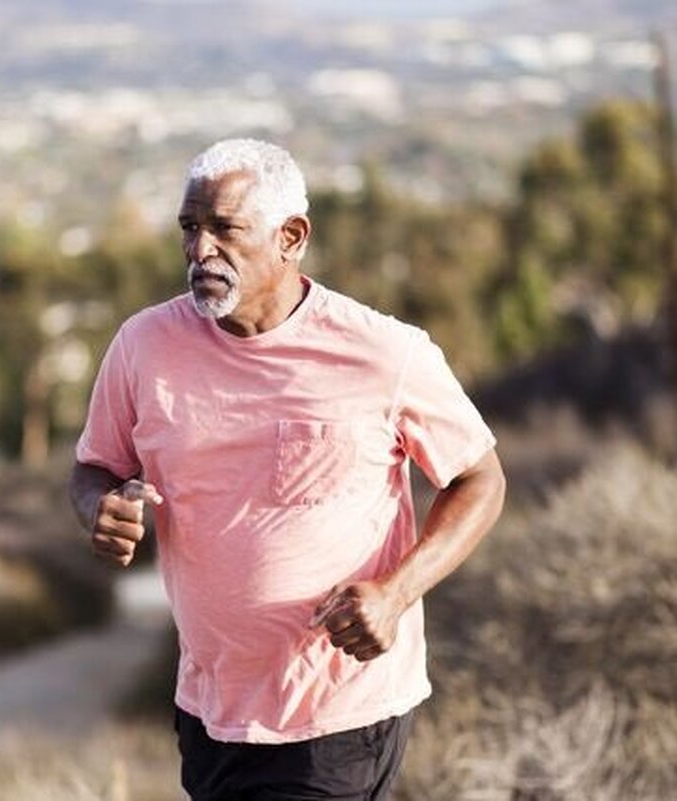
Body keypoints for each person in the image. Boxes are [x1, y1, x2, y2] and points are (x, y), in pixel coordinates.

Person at [69, 138, 505, 800]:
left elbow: (480, 479)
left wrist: (395, 592)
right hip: (210, 709)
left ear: (291, 237)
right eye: (190, 227)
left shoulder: (384, 353)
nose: (199, 249)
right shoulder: (143, 346)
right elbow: (94, 467)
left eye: (224, 228)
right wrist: (99, 508)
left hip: (340, 712)